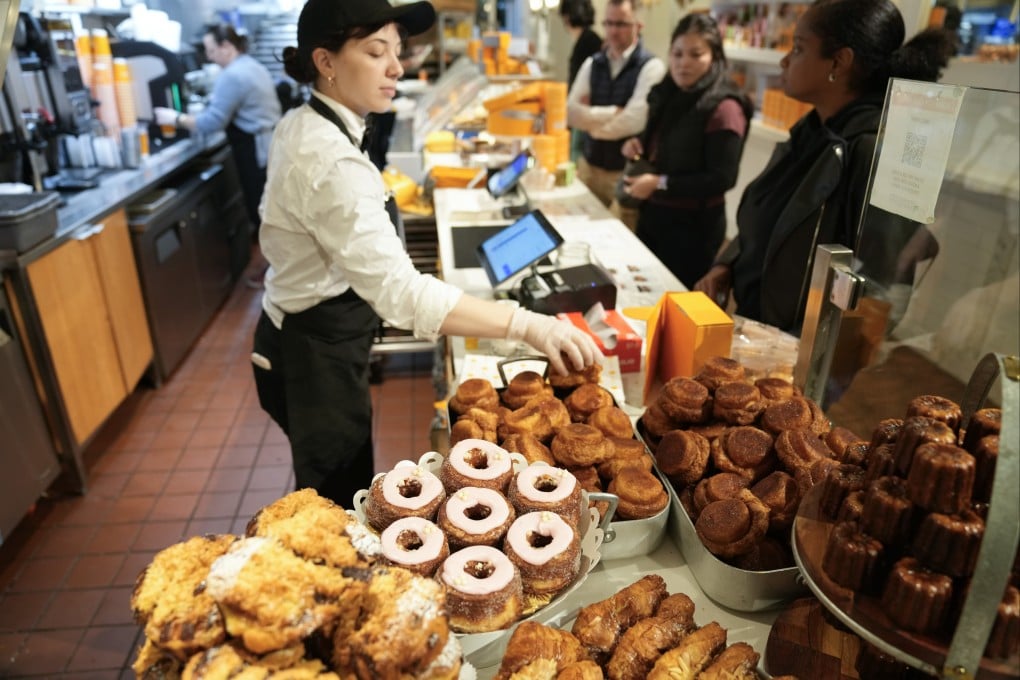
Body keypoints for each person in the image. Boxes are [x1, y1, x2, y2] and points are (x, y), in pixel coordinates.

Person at [250, 0, 603, 508]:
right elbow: (400, 295)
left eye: (397, 50)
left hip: (308, 334)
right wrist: (530, 325)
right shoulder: (328, 159)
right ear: (325, 62)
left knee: (342, 484)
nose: (397, 66)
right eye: (376, 52)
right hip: (312, 354)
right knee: (335, 504)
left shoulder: (313, 122)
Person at [693, 0, 953, 333]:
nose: (785, 60)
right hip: (760, 329)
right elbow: (767, 217)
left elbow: (882, 289)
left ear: (839, 62)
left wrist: (813, 364)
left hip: (804, 357)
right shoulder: (813, 132)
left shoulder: (877, 151)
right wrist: (727, 265)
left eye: (798, 49)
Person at [619, 13, 752, 289]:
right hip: (654, 215)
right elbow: (663, 145)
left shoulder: (725, 108)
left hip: (693, 229)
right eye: (677, 54)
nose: (683, 63)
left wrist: (659, 183)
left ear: (714, 56)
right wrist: (638, 145)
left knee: (675, 301)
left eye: (696, 54)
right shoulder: (669, 92)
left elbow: (722, 178)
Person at [154, 24, 282, 287]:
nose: (210, 57)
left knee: (264, 214)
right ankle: (277, 271)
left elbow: (211, 122)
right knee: (271, 212)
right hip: (270, 143)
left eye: (212, 50)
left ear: (227, 47)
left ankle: (276, 274)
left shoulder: (232, 75)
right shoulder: (251, 65)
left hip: (255, 149)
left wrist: (174, 118)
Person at [566, 0, 666, 228]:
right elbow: (571, 113)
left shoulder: (651, 67)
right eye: (608, 23)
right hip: (588, 167)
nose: (612, 30)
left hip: (624, 172)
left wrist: (590, 120)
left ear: (638, 25)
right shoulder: (593, 63)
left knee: (618, 241)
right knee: (580, 231)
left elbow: (634, 120)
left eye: (620, 23)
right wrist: (612, 112)